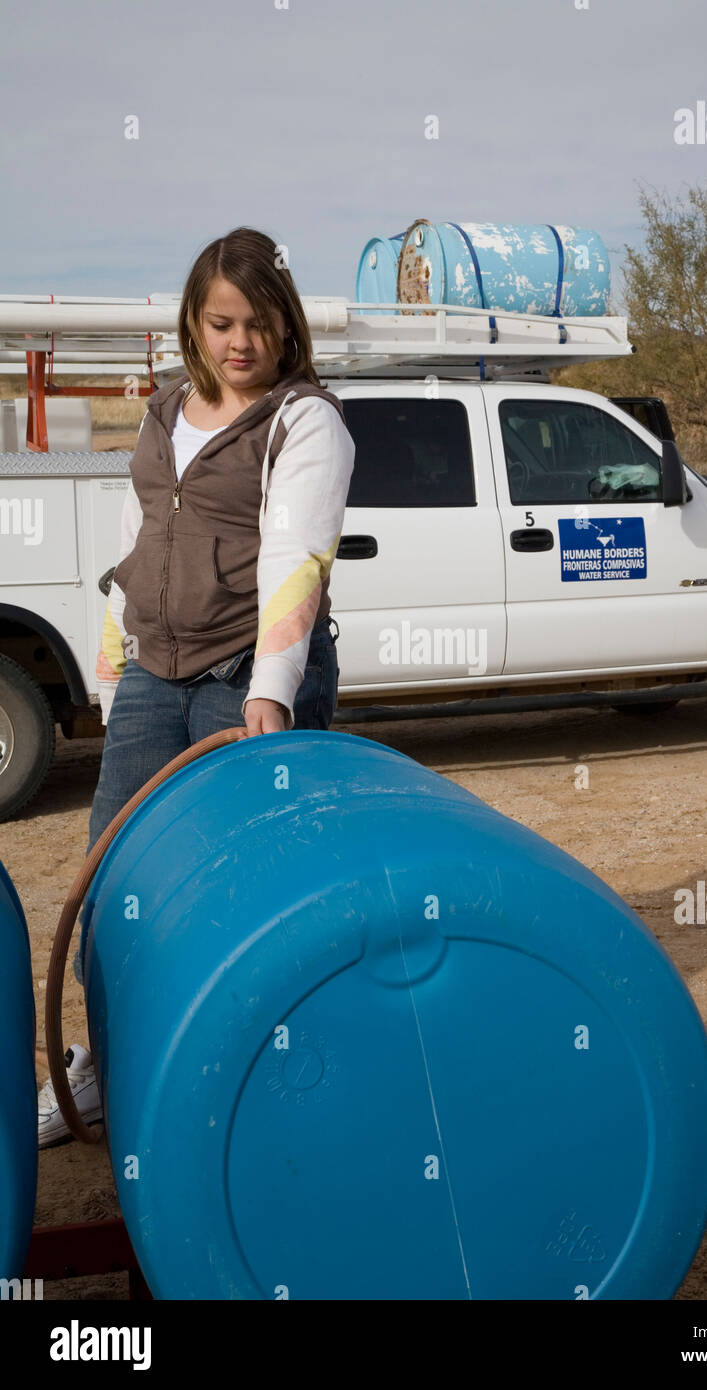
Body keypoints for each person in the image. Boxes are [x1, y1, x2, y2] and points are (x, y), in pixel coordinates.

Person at [37, 226, 355, 1145]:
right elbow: (146, 541)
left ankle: (257, 1087)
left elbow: (298, 563)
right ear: (193, 320)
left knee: (249, 894)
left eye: (257, 324)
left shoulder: (306, 421)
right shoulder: (167, 408)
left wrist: (270, 694)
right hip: (154, 674)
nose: (239, 343)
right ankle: (110, 1069)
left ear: (286, 326)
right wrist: (115, 657)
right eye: (221, 322)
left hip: (244, 681)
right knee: (115, 881)